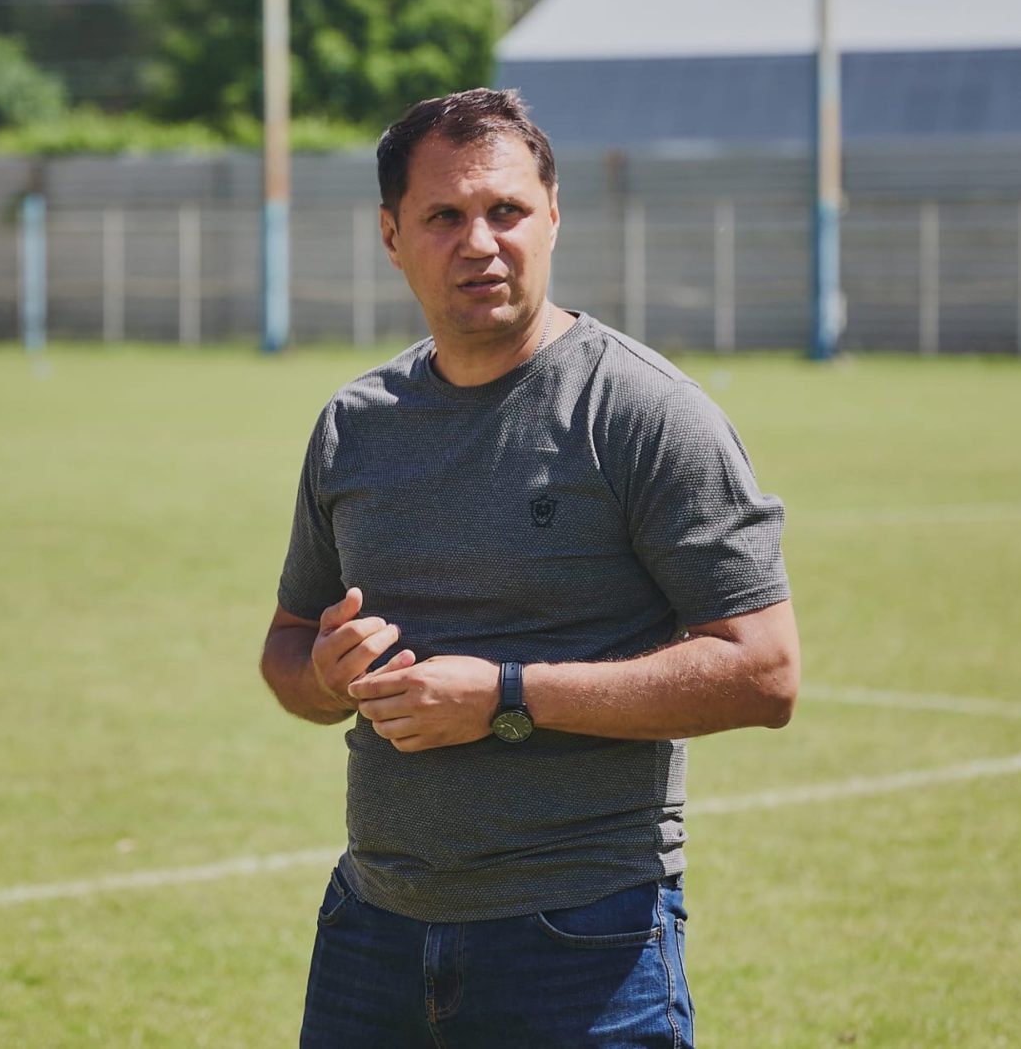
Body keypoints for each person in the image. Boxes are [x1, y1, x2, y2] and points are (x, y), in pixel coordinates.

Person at [259, 87, 800, 1049]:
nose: (480, 242)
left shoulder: (642, 411)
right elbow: (287, 647)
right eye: (444, 216)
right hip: (370, 933)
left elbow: (765, 670)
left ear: (553, 215)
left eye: (505, 209)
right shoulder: (355, 424)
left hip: (584, 940)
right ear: (391, 236)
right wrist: (326, 677)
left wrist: (506, 696)